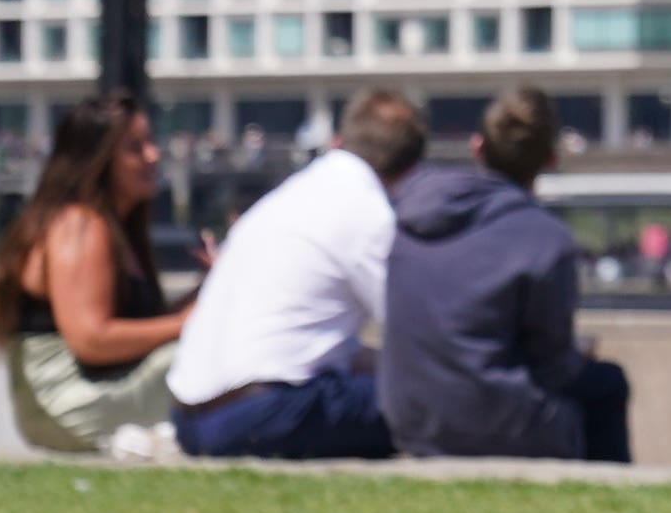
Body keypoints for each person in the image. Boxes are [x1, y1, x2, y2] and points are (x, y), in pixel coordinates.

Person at [388, 90, 631, 466]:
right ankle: (609, 492)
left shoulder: (408, 217)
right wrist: (576, 353)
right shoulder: (546, 238)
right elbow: (555, 367)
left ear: (477, 147)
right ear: (551, 159)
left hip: (412, 418)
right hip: (495, 423)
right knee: (608, 382)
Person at [171, 95, 415, 464]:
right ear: (411, 169)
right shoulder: (368, 212)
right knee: (430, 399)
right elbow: (416, 334)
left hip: (191, 418)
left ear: (339, 141)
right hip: (260, 413)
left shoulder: (285, 199)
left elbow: (307, 342)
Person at [0, 97, 198, 458]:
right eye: (135, 148)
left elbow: (141, 325)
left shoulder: (115, 228)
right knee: (215, 357)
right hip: (69, 405)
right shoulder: (80, 226)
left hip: (95, 391)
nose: (153, 156)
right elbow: (92, 339)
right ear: (98, 160)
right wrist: (183, 325)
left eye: (150, 143)